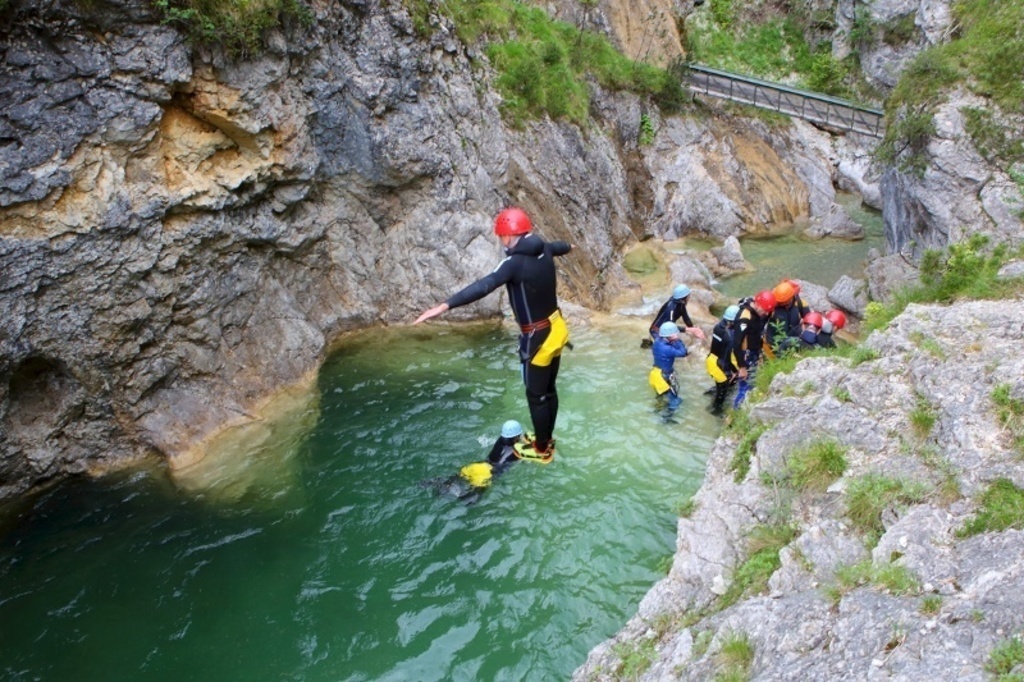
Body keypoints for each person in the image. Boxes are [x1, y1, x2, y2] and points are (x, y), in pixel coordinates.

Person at [414, 207, 571, 461]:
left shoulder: (514, 263)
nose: (501, 242)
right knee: (549, 390)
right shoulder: (545, 249)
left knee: (536, 396)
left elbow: (484, 285)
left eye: (501, 237)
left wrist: (444, 306)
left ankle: (542, 450)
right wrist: (570, 246)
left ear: (508, 237)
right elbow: (562, 246)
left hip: (537, 338)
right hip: (557, 328)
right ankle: (546, 439)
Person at [420, 420, 532, 504]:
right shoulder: (518, 451)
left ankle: (435, 483)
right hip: (488, 473)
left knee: (454, 479)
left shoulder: (500, 440)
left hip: (478, 466)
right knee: (472, 498)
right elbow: (526, 455)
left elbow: (512, 442)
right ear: (516, 437)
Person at [733, 290, 776, 408]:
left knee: (752, 382)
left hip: (754, 351)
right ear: (757, 304)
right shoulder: (744, 318)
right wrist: (742, 367)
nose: (765, 314)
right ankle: (737, 412)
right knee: (745, 386)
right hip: (745, 355)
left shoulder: (757, 311)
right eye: (764, 310)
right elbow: (736, 344)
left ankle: (745, 406)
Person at [649, 321, 688, 421]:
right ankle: (667, 419)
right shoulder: (667, 348)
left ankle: (656, 410)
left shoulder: (657, 341)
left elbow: (653, 331)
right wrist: (677, 340)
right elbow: (683, 353)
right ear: (670, 336)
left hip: (655, 373)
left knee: (660, 395)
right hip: (664, 376)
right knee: (675, 400)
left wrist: (672, 339)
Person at [707, 305, 740, 416]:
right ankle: (716, 411)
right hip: (720, 365)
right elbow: (727, 358)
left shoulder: (718, 326)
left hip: (711, 360)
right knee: (723, 390)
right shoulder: (729, 336)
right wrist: (734, 371)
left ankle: (712, 391)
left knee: (719, 384)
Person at [764, 280, 804, 357]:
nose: (781, 303)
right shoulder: (772, 306)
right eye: (780, 302)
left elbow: (807, 319)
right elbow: (761, 322)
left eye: (784, 302)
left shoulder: (799, 303)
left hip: (793, 341)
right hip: (773, 344)